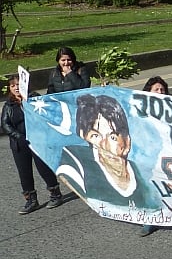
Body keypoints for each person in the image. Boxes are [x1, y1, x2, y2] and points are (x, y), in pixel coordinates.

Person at [57, 94, 156, 210]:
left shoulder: (143, 175)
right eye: (95, 136)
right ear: (84, 136)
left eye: (113, 137)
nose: (105, 145)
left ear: (127, 141)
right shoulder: (79, 164)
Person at [2, 73, 64, 214]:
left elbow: (45, 115)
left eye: (18, 85)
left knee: (43, 168)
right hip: (20, 144)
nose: (16, 88)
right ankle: (31, 200)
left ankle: (55, 193)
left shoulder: (34, 99)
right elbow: (6, 125)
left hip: (37, 141)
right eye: (13, 86)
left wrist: (27, 102)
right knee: (24, 172)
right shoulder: (8, 105)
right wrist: (20, 137)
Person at [139, 76, 169, 236]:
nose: (160, 92)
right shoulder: (141, 110)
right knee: (149, 186)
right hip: (149, 155)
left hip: (169, 155)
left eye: (162, 89)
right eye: (156, 89)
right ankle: (150, 220)